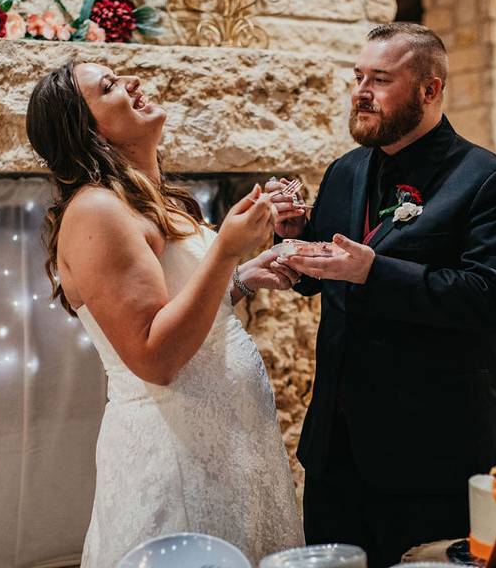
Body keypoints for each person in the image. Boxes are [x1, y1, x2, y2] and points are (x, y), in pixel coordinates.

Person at [268, 23, 496, 567]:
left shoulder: (488, 180)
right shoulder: (345, 171)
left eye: (380, 79)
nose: (361, 91)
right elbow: (326, 278)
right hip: (336, 450)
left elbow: (489, 298)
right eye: (358, 76)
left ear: (430, 91)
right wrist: (292, 237)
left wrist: (375, 272)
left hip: (432, 450)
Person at [25, 61, 304, 566]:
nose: (132, 83)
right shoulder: (97, 211)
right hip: (176, 454)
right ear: (84, 131)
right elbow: (154, 356)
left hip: (231, 445)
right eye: (109, 87)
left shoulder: (156, 197)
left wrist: (243, 275)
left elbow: (181, 302)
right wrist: (226, 252)